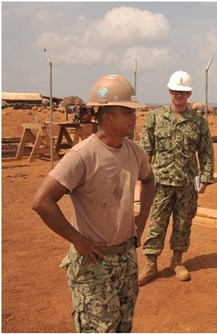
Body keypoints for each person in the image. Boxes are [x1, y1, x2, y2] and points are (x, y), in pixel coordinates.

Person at [31, 74, 155, 332]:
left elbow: (149, 180)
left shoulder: (135, 151)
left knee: (123, 326)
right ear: (107, 116)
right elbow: (42, 201)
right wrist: (78, 240)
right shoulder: (82, 155)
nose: (134, 117)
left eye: (133, 112)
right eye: (126, 112)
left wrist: (142, 217)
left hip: (126, 259)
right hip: (94, 264)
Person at [138, 70, 214, 285]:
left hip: (187, 183)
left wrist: (205, 177)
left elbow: (206, 151)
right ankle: (151, 265)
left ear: (189, 94)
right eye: (175, 91)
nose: (178, 95)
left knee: (183, 223)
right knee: (156, 224)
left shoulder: (198, 122)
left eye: (183, 92)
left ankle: (177, 261)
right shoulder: (155, 117)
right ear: (169, 91)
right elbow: (145, 150)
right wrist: (143, 177)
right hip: (160, 182)